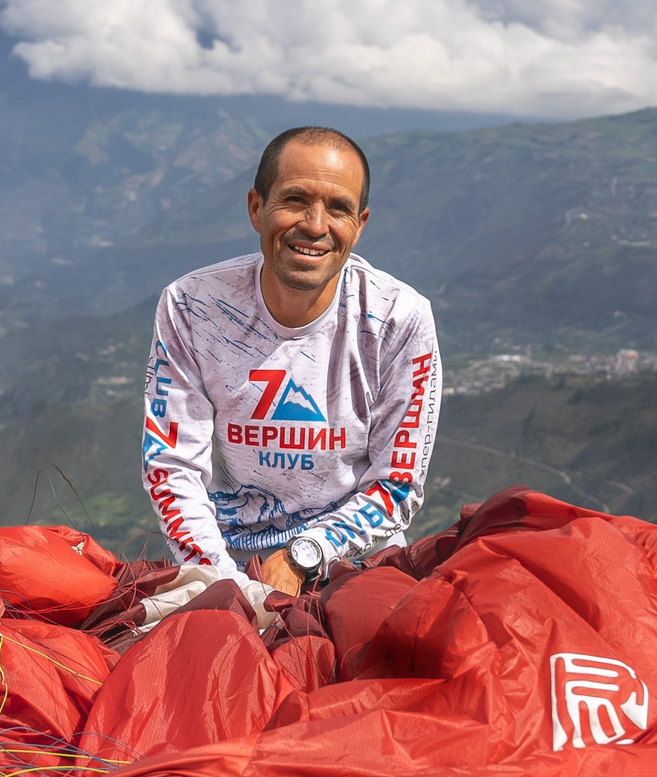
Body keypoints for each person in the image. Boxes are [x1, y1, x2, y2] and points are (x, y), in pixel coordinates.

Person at [140, 126, 440, 607]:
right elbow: (173, 466)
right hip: (225, 560)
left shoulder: (398, 318)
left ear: (359, 224)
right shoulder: (192, 306)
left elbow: (397, 483)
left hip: (354, 564)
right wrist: (223, 583)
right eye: (295, 200)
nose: (315, 225)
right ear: (257, 208)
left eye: (338, 208)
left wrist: (305, 555)